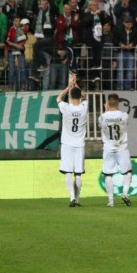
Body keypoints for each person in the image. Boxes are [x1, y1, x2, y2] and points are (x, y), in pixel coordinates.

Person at [57, 74, 87, 207]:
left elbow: (58, 98)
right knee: (78, 174)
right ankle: (78, 199)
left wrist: (68, 86)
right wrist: (75, 85)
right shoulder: (84, 107)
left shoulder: (66, 108)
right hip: (79, 145)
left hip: (67, 144)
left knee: (68, 172)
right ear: (80, 96)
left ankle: (72, 197)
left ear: (70, 96)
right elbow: (84, 96)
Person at [98, 93, 132, 207]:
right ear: (118, 103)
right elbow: (125, 124)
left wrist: (106, 110)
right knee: (127, 172)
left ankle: (111, 201)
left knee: (108, 175)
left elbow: (101, 126)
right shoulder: (124, 115)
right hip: (122, 148)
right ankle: (125, 193)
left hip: (108, 148)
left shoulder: (102, 117)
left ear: (107, 103)